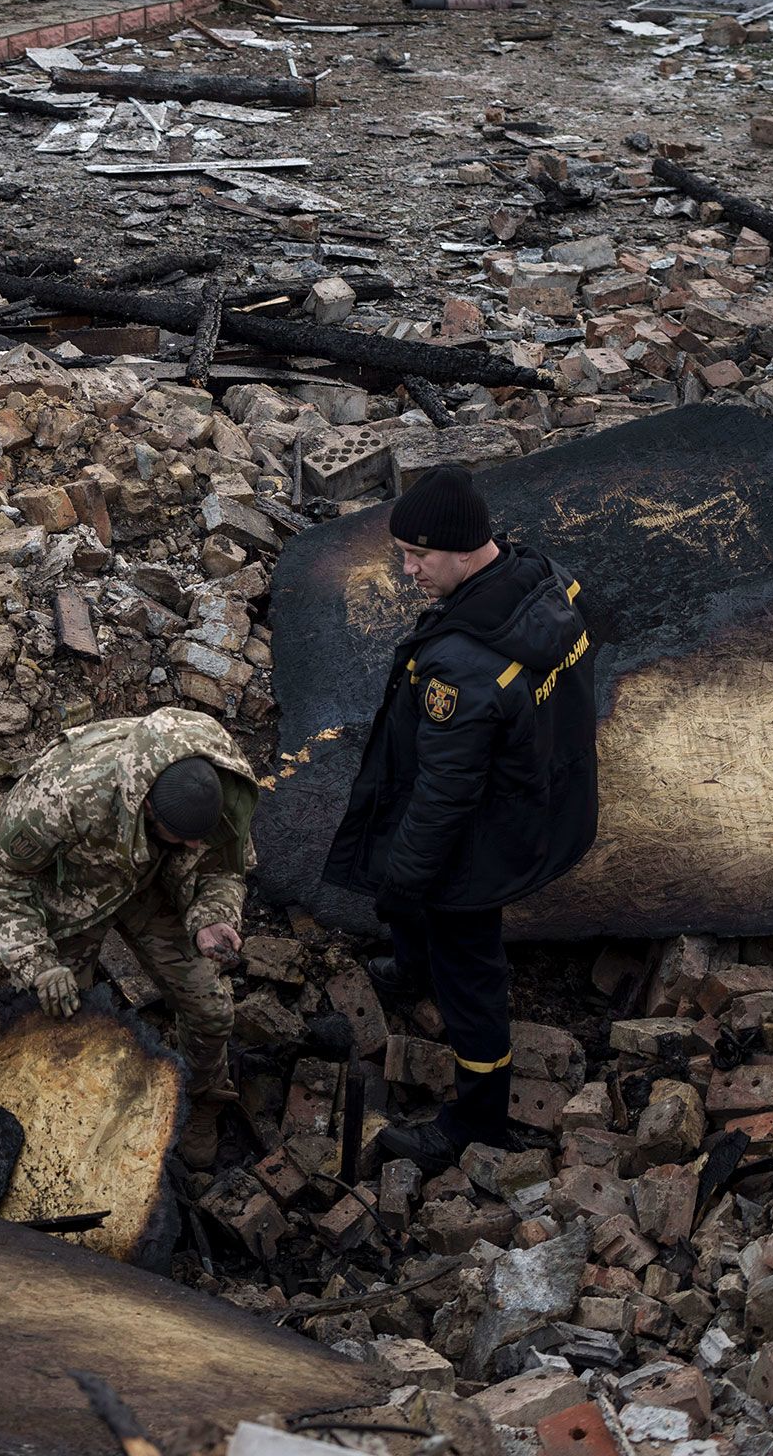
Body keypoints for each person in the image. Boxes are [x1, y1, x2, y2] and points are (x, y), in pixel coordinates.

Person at [322, 466, 599, 1175]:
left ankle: (475, 1118)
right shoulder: (540, 577)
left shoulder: (462, 671)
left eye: (417, 556)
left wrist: (402, 885)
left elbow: (443, 799)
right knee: (425, 915)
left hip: (480, 847)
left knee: (469, 971)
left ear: (460, 548)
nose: (407, 570)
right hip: (543, 798)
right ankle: (412, 967)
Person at [0, 708, 261, 1168]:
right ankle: (80, 1116)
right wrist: (38, 963)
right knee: (65, 1017)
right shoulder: (68, 792)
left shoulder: (219, 791)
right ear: (146, 805)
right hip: (75, 895)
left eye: (197, 837)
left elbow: (224, 867)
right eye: (181, 837)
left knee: (212, 1010)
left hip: (155, 890)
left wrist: (212, 915)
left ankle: (200, 1102)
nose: (192, 845)